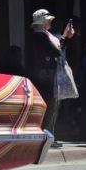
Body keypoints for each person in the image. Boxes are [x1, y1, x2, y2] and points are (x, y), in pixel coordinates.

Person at [27, 8, 75, 143]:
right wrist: (65, 37)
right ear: (43, 22)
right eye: (48, 21)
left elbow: (58, 50)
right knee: (50, 105)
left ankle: (48, 135)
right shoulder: (40, 36)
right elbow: (57, 52)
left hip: (44, 74)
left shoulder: (42, 35)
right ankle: (47, 136)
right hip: (46, 75)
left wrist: (65, 37)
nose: (50, 23)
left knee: (52, 105)